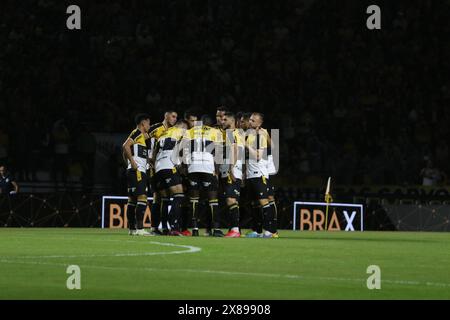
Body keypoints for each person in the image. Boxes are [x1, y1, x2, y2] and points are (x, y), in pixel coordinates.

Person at [181, 114, 223, 237]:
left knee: (194, 199)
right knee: (213, 199)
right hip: (208, 167)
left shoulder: (190, 131)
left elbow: (183, 150)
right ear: (210, 123)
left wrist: (185, 167)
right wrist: (216, 171)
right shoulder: (215, 132)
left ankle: (194, 228)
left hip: (193, 167)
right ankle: (215, 229)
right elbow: (218, 153)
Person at [244, 112, 278, 238]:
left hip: (259, 173)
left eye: (253, 120)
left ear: (259, 123)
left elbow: (258, 155)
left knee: (265, 201)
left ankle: (270, 230)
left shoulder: (260, 135)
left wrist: (246, 144)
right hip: (250, 173)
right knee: (254, 203)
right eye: (250, 120)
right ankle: (257, 230)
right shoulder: (250, 134)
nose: (250, 122)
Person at [151, 119, 188, 236]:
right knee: (179, 195)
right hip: (169, 166)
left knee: (164, 198)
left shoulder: (163, 133)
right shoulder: (181, 132)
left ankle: (164, 228)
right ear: (181, 126)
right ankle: (174, 227)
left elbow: (154, 153)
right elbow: (181, 151)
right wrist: (182, 167)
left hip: (158, 168)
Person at [122, 113, 153, 236]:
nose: (149, 126)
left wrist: (129, 163)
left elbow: (125, 151)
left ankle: (132, 229)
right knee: (142, 198)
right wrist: (133, 162)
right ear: (143, 123)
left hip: (135, 170)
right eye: (148, 123)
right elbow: (125, 146)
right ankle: (140, 229)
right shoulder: (137, 133)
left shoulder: (141, 138)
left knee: (132, 200)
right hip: (137, 171)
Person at [147, 111, 178, 234]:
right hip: (152, 166)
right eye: (173, 116)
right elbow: (143, 136)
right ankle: (154, 227)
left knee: (165, 197)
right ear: (166, 116)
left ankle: (164, 227)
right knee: (157, 196)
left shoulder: (173, 131)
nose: (174, 119)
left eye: (176, 117)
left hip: (162, 165)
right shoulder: (156, 128)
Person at [220, 112, 245, 237]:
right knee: (232, 200)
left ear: (231, 121)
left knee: (231, 199)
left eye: (225, 119)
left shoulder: (232, 133)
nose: (222, 121)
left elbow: (235, 150)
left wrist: (231, 168)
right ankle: (235, 229)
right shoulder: (238, 133)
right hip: (235, 169)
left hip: (232, 170)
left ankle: (235, 230)